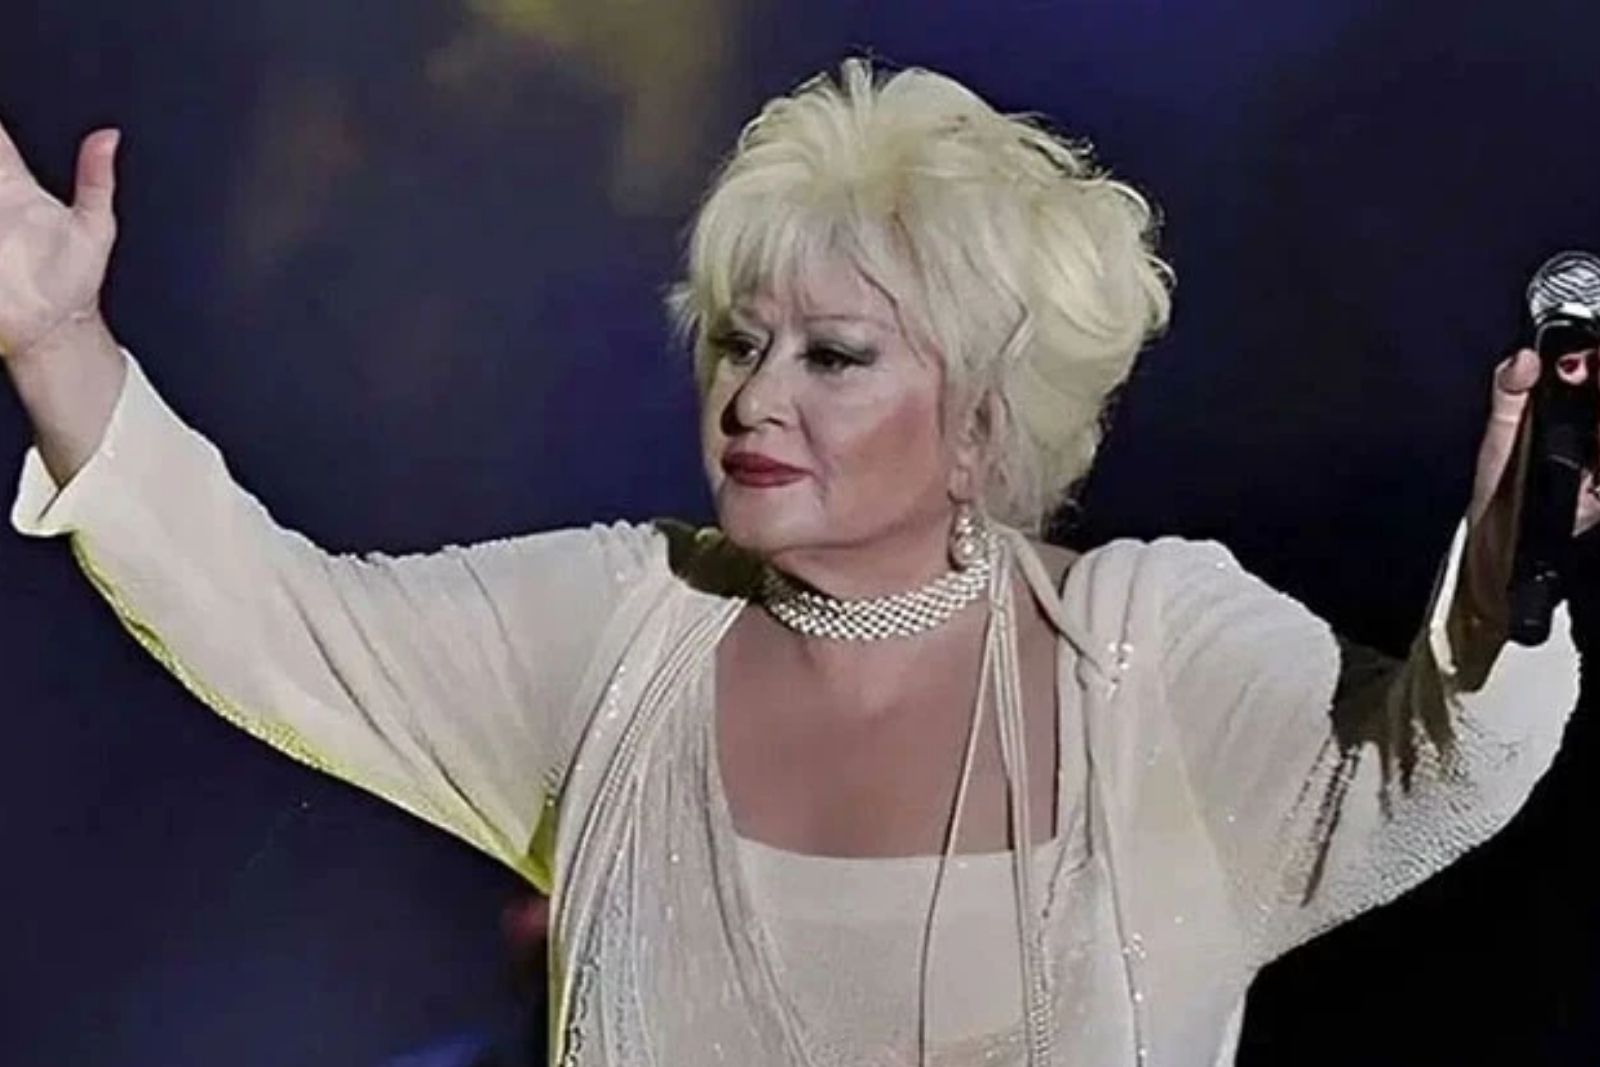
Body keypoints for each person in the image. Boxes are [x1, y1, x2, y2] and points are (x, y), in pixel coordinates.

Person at [0, 58, 1588, 1067]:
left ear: (982, 420)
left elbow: (1437, 768)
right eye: (737, 341)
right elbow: (280, 623)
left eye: (832, 354)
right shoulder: (623, 631)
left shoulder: (1146, 653)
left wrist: (1507, 573)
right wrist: (61, 341)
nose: (753, 398)